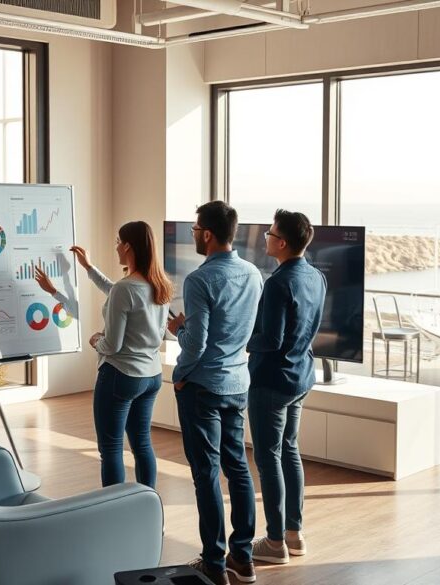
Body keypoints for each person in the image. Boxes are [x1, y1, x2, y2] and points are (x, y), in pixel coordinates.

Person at [34, 221, 172, 488]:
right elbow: (114, 290)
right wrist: (88, 268)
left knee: (111, 449)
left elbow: (112, 345)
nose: (116, 247)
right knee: (142, 444)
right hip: (151, 375)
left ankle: (114, 509)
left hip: (121, 376)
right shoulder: (159, 285)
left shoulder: (126, 289)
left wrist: (96, 341)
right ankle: (150, 506)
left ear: (128, 246)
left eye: (118, 242)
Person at [167, 201, 263, 585]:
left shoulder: (199, 280)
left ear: (207, 234)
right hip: (237, 383)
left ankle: (214, 563)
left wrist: (180, 369)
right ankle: (243, 557)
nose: (193, 234)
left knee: (206, 473)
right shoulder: (253, 273)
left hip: (203, 387)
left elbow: (196, 344)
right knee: (238, 468)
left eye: (195, 229)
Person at [247, 209, 325, 565]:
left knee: (268, 458)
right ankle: (294, 534)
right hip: (301, 376)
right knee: (289, 451)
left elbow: (271, 340)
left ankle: (275, 541)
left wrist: (240, 338)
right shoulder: (316, 277)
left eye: (270, 233)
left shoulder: (278, 283)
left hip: (272, 381)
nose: (266, 237)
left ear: (281, 243)